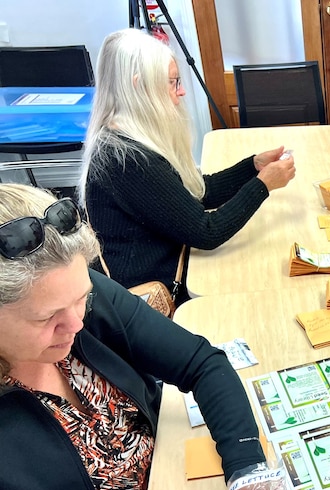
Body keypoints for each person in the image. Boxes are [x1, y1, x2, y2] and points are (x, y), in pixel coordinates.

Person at [0, 184, 283, 490]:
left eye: (81, 298)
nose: (78, 323)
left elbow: (201, 363)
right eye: (47, 319)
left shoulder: (68, 292)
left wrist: (248, 475)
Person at [80, 29, 295, 303]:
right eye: (172, 83)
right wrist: (263, 185)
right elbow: (206, 232)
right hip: (151, 297)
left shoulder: (130, 138)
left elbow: (195, 193)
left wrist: (253, 167)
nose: (181, 91)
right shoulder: (128, 159)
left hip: (173, 264)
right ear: (139, 86)